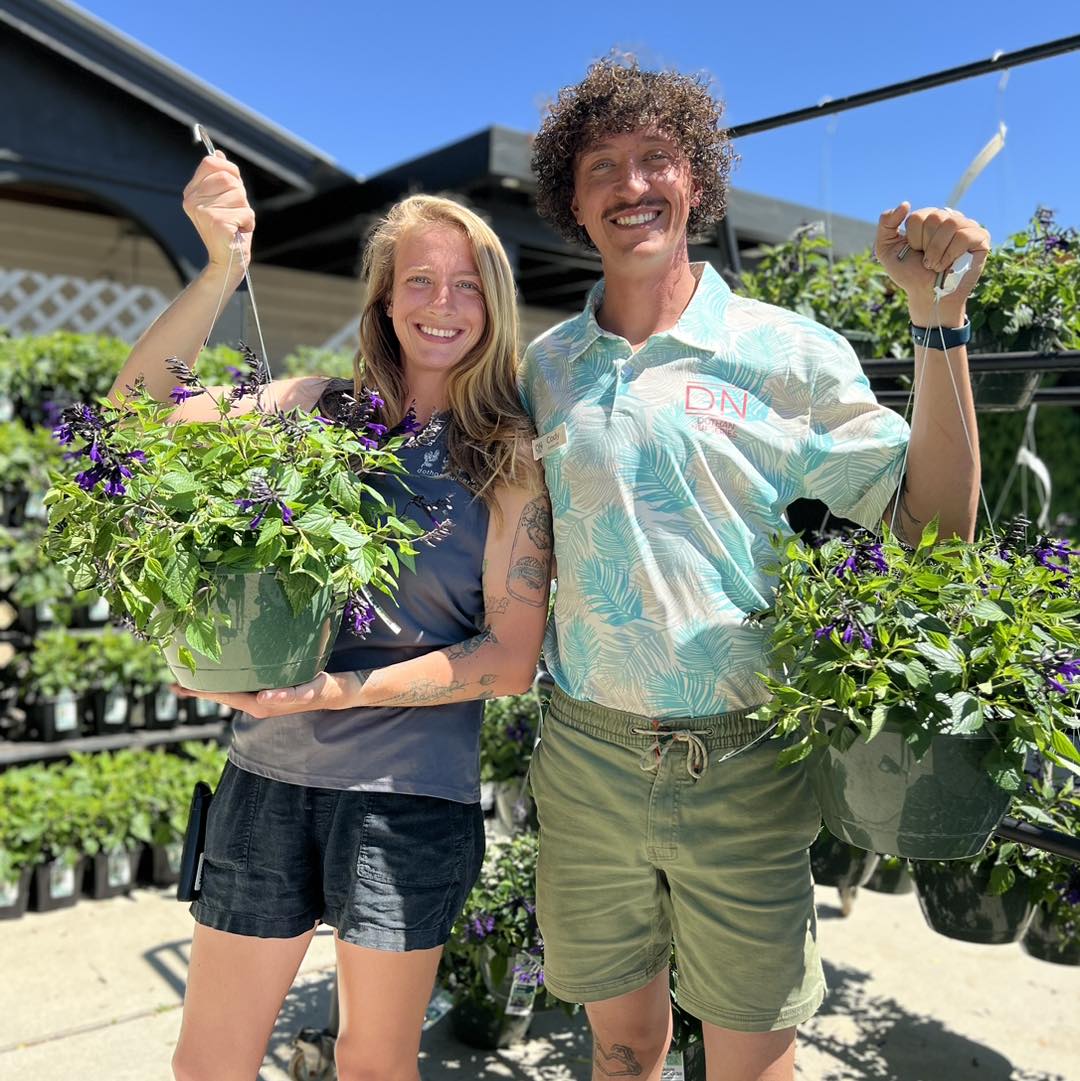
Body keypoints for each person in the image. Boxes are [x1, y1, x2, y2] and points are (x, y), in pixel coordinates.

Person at [520, 58, 986, 1081]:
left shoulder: (790, 354)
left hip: (741, 761)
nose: (632, 184)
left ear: (697, 181)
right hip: (586, 753)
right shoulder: (546, 367)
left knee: (752, 1058)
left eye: (657, 158)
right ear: (573, 200)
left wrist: (939, 322)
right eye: (602, 166)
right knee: (621, 1045)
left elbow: (934, 525)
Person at [107, 152, 552, 1081]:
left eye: (467, 285)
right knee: (208, 1063)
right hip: (266, 779)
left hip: (408, 800)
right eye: (418, 279)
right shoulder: (313, 409)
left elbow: (508, 661)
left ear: (494, 305)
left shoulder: (507, 457)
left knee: (372, 1066)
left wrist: (329, 690)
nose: (442, 302)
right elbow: (135, 420)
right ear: (384, 299)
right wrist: (221, 268)